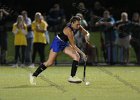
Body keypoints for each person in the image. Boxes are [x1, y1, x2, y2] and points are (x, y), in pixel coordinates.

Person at [30, 16, 88, 85]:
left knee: (76, 56)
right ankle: (33, 75)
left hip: (65, 43)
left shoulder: (77, 26)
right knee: (49, 62)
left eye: (79, 24)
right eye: (77, 24)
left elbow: (85, 32)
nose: (78, 26)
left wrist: (87, 36)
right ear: (72, 23)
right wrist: (83, 54)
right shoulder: (69, 31)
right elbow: (73, 46)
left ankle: (72, 77)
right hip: (57, 43)